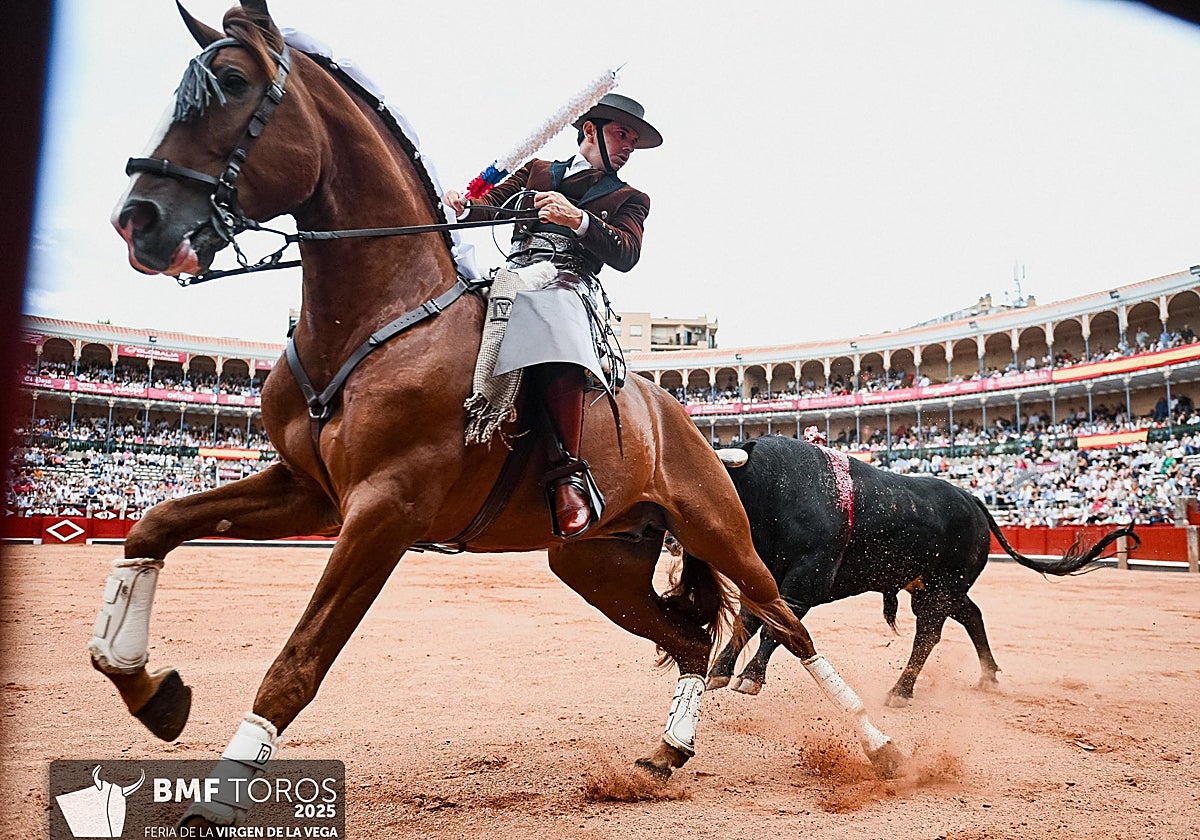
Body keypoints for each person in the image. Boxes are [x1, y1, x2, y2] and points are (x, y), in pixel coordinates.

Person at [443, 93, 662, 538]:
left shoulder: (631, 197)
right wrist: (464, 205)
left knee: (554, 317)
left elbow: (627, 253)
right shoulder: (538, 170)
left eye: (633, 142)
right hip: (513, 272)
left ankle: (567, 475)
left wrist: (578, 219)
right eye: (622, 135)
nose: (628, 148)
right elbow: (492, 205)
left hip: (569, 280)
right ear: (590, 130)